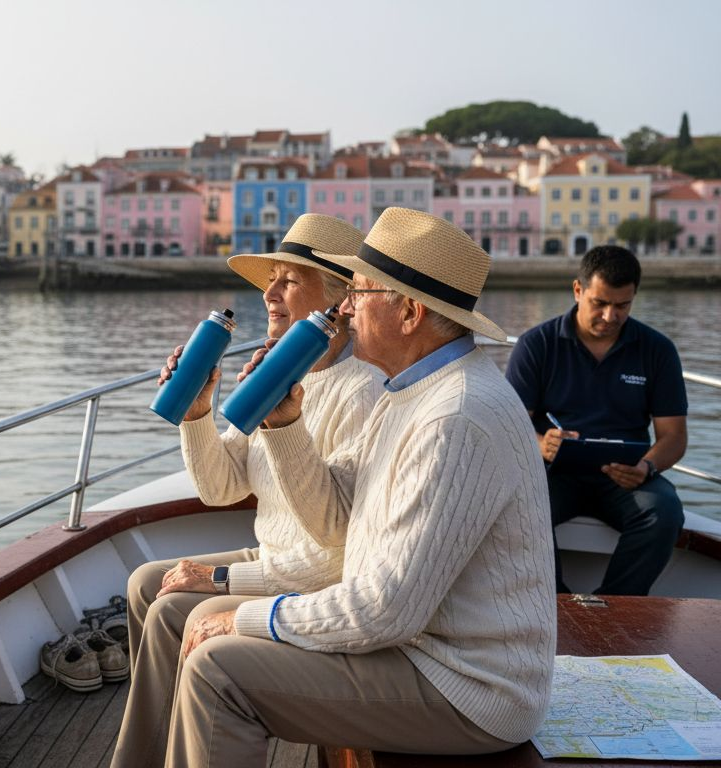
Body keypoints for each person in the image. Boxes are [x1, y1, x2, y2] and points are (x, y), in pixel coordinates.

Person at [161, 208, 556, 767]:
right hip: (418, 651)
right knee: (209, 643)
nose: (345, 308)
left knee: (216, 667)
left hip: (469, 687)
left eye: (360, 292)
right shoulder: (410, 392)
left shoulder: (454, 418)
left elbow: (385, 609)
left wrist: (242, 617)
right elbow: (337, 520)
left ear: (410, 312)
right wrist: (283, 424)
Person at [111, 214, 384, 768]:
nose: (269, 293)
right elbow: (221, 489)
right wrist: (197, 412)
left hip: (318, 580)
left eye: (289, 280)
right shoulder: (282, 374)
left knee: (171, 609)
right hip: (276, 559)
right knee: (144, 582)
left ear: (338, 302)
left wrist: (218, 579)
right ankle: (159, 747)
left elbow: (338, 553)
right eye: (270, 280)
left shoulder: (362, 392)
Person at [505, 246, 687, 595]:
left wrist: (646, 467)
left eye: (622, 306)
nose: (610, 315)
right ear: (578, 290)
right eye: (599, 303)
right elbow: (510, 426)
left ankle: (614, 607)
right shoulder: (536, 345)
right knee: (517, 506)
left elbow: (674, 436)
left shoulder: (658, 350)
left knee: (664, 512)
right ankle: (554, 603)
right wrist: (542, 444)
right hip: (553, 473)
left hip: (625, 477)